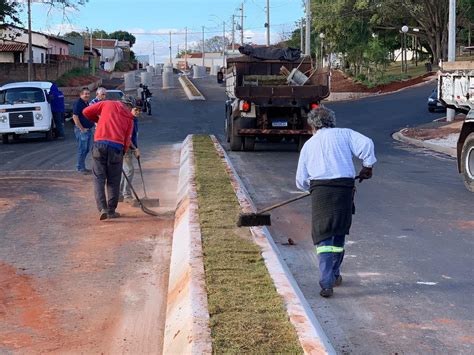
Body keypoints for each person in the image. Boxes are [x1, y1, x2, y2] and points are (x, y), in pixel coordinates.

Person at [296, 106, 377, 298]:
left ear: (312, 126)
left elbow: (301, 180)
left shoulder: (309, 145)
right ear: (332, 121)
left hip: (321, 192)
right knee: (339, 233)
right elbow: (367, 145)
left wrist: (311, 189)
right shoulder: (345, 134)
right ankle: (334, 273)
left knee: (323, 236)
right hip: (344, 190)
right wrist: (367, 167)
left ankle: (327, 282)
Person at [82, 96, 135, 221]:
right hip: (116, 148)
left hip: (99, 145)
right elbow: (127, 139)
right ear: (128, 105)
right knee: (113, 181)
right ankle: (111, 211)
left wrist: (98, 120)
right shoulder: (130, 118)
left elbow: (86, 112)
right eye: (131, 107)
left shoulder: (107, 104)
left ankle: (102, 208)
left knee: (99, 179)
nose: (130, 110)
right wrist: (122, 153)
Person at [119, 106, 141, 202]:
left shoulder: (134, 120)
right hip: (125, 148)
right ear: (130, 110)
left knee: (126, 171)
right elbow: (127, 137)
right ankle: (126, 194)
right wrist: (135, 149)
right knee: (130, 170)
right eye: (135, 110)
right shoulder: (128, 120)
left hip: (130, 148)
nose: (137, 112)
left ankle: (119, 193)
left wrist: (136, 149)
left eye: (139, 110)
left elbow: (133, 137)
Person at [72, 88, 94, 174]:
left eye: (88, 94)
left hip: (88, 129)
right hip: (82, 130)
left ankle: (82, 167)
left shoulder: (86, 103)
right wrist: (81, 128)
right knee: (82, 149)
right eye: (85, 94)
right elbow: (75, 117)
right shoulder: (78, 103)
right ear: (81, 95)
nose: (87, 95)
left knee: (86, 149)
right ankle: (80, 168)